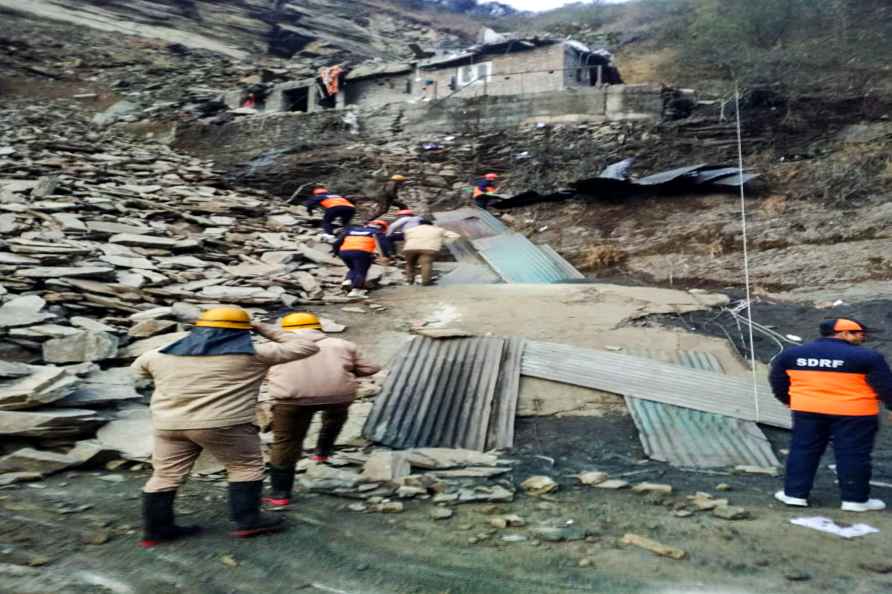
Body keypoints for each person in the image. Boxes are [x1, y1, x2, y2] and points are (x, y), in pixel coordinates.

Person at [131, 307, 323, 547]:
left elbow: (138, 372)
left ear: (198, 329)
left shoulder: (157, 355)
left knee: (165, 475)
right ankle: (249, 522)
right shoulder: (255, 354)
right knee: (245, 467)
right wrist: (261, 326)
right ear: (243, 332)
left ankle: (156, 532)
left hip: (168, 425)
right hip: (224, 424)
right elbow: (307, 347)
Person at [770, 318, 892, 512]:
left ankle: (794, 495)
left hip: (808, 410)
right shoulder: (868, 357)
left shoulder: (792, 354)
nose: (863, 337)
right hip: (855, 413)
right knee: (853, 453)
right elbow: (886, 387)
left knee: (803, 450)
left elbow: (778, 381)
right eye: (858, 333)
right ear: (842, 333)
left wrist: (791, 401)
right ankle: (855, 500)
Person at [264, 312, 381, 507]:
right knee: (335, 417)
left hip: (291, 400)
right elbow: (371, 368)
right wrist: (347, 371)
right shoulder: (342, 344)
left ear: (284, 330)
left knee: (286, 442)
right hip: (337, 397)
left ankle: (280, 494)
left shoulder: (273, 347)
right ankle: (322, 453)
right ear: (318, 327)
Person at [332, 220, 393, 297]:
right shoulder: (377, 233)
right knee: (361, 271)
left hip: (344, 252)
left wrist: (336, 253)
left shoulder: (351, 230)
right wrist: (386, 256)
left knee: (353, 268)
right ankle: (356, 290)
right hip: (362, 252)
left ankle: (348, 280)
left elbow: (336, 243)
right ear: (383, 228)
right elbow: (383, 245)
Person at [402, 219, 459, 286]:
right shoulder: (439, 229)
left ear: (419, 224)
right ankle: (425, 282)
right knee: (426, 264)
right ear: (431, 224)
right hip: (429, 248)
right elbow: (455, 236)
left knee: (410, 264)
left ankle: (409, 280)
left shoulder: (410, 230)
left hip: (410, 248)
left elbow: (406, 238)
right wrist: (443, 242)